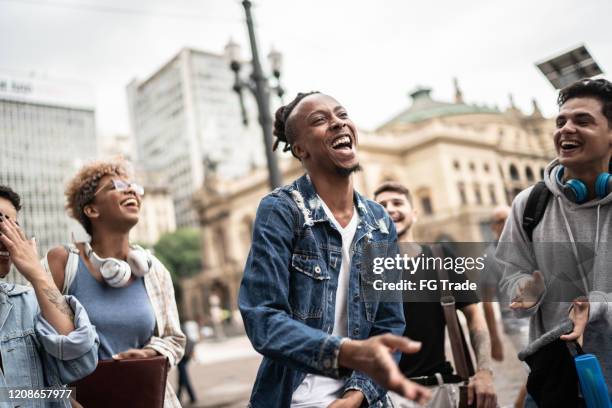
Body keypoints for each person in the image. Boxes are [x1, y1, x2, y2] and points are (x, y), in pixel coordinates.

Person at [239, 92, 431, 408]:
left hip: (364, 399)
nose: (338, 122)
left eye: (341, 114)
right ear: (300, 149)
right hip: (294, 399)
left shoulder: (378, 220)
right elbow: (262, 318)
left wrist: (354, 397)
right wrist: (342, 351)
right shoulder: (282, 210)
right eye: (320, 120)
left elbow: (390, 323)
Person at [497, 78, 612, 397]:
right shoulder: (529, 204)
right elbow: (510, 281)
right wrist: (522, 290)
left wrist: (600, 309)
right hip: (559, 380)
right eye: (561, 121)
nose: (566, 129)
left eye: (583, 121)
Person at [43, 159, 185, 407]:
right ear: (92, 210)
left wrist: (149, 353)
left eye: (134, 187)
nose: (131, 190)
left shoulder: (154, 270)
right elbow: (33, 345)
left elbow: (175, 339)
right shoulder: (62, 262)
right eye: (117, 186)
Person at [375, 181, 497, 408]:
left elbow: (474, 316)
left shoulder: (441, 257)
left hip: (438, 392)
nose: (390, 208)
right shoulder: (365, 268)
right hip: (384, 396)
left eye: (397, 203)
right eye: (381, 205)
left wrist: (484, 372)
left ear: (414, 213)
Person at [0, 185, 99, 408]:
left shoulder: (27, 303)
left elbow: (81, 361)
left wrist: (38, 274)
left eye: (14, 225)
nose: (8, 235)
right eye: (0, 222)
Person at [480, 206, 531, 408]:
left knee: (542, 370)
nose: (505, 224)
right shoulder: (490, 256)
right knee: (536, 370)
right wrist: (494, 339)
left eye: (509, 218)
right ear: (493, 227)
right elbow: (486, 299)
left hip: (544, 318)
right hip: (516, 324)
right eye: (500, 220)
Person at [177, 322, 198, 405]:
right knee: (182, 377)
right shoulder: (187, 337)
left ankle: (190, 397)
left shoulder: (182, 336)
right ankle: (188, 397)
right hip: (183, 358)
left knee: (183, 377)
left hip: (182, 358)